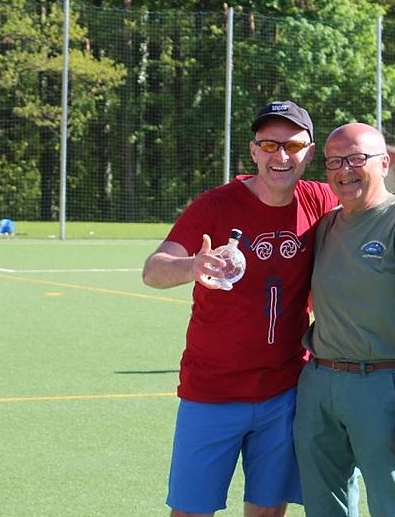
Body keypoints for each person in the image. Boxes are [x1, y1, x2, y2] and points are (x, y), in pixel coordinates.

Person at [141, 101, 337, 517]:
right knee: (190, 512)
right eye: (269, 145)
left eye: (292, 145)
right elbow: (153, 270)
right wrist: (192, 266)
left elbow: (376, 205)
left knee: (268, 511)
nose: (281, 156)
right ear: (253, 151)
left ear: (309, 152)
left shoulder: (320, 199)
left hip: (283, 392)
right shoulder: (215, 206)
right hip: (211, 391)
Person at [293, 123, 395, 516]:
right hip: (319, 385)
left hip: (384, 387)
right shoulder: (327, 225)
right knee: (323, 508)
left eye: (356, 159)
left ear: (384, 164)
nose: (344, 170)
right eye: (335, 161)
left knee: (392, 507)